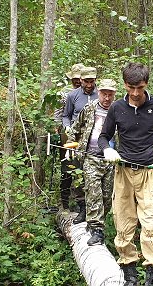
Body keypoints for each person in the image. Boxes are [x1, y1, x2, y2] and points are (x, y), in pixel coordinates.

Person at [98, 62, 153, 286]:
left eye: (139, 88)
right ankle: (129, 275)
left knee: (152, 225)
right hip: (123, 172)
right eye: (131, 87)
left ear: (146, 84)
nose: (134, 93)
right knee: (123, 223)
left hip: (150, 174)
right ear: (125, 84)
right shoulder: (116, 108)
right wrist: (108, 149)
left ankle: (152, 278)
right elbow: (104, 135)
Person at [66, 79, 117, 245]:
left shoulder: (119, 110)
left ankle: (97, 224)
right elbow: (75, 128)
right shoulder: (89, 108)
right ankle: (97, 230)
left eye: (110, 95)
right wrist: (70, 146)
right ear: (99, 92)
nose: (107, 98)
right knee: (93, 193)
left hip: (111, 160)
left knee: (106, 197)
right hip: (91, 157)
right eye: (104, 94)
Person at [62, 66, 98, 223]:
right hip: (76, 138)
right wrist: (68, 127)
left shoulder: (101, 94)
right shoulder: (73, 95)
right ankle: (80, 206)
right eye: (86, 82)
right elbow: (66, 115)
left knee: (93, 172)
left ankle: (95, 209)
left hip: (95, 140)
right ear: (80, 81)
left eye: (92, 82)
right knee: (76, 171)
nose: (89, 85)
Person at [54, 63, 85, 210]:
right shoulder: (65, 93)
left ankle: (81, 202)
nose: (77, 81)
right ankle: (64, 202)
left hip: (84, 134)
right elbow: (59, 113)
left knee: (82, 166)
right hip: (67, 133)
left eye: (79, 78)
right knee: (67, 166)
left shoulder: (90, 93)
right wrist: (58, 128)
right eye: (75, 79)